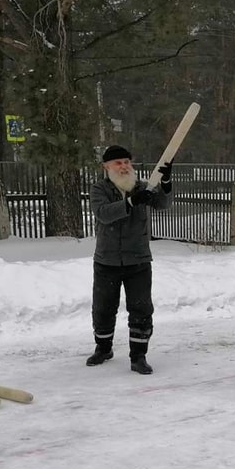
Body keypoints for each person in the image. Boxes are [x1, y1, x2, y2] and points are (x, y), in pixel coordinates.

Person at [86, 145, 173, 374]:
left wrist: (165, 184)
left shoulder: (143, 187)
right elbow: (104, 214)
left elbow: (163, 204)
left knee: (141, 309)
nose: (124, 166)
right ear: (106, 167)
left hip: (139, 261)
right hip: (107, 261)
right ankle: (103, 348)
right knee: (103, 309)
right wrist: (132, 202)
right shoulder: (99, 189)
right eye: (118, 163)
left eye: (126, 162)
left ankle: (139, 357)